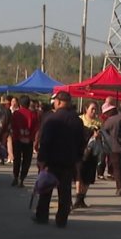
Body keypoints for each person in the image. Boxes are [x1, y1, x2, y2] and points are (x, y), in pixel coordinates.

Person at [35, 91, 85, 227]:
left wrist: (41, 158)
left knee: (46, 188)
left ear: (57, 102)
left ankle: (42, 215)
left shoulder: (51, 119)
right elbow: (82, 141)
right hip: (69, 160)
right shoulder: (77, 121)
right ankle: (62, 219)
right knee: (65, 191)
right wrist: (78, 158)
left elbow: (45, 141)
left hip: (51, 159)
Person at [74, 102, 102, 209]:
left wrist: (98, 136)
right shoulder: (80, 119)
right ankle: (78, 197)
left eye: (95, 109)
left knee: (88, 176)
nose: (94, 111)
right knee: (79, 174)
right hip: (80, 151)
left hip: (92, 153)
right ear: (86, 109)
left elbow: (103, 137)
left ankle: (82, 198)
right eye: (92, 109)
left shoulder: (99, 122)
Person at [10, 95, 38, 187]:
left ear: (20, 104)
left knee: (17, 159)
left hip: (18, 139)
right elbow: (35, 128)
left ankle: (15, 176)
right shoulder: (33, 114)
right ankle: (22, 179)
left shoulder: (16, 113)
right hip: (28, 140)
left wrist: (19, 136)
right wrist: (29, 137)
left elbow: (13, 127)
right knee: (26, 160)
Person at [100, 102, 121, 196]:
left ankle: (120, 187)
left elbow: (104, 131)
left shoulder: (111, 120)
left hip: (114, 147)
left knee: (117, 168)